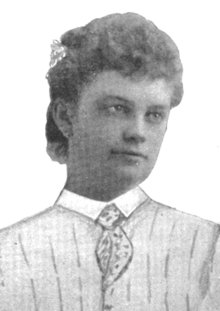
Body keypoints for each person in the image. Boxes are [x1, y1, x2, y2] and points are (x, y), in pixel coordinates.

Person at [0, 12, 219, 311]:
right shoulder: (8, 252)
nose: (137, 133)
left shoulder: (208, 247)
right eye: (117, 108)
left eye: (154, 115)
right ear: (66, 117)